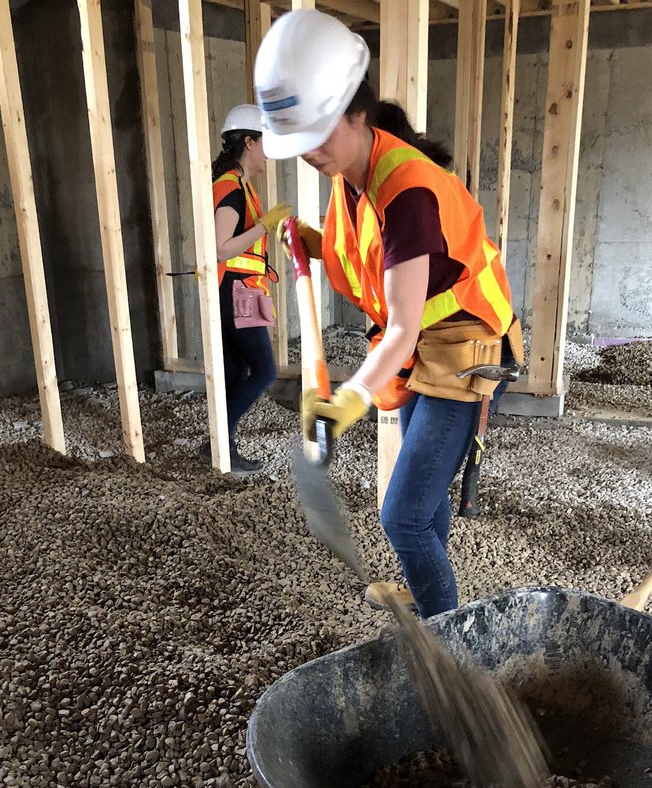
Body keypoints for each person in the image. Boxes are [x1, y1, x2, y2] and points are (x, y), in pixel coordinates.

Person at [254, 10, 523, 618]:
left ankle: (445, 640)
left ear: (358, 112)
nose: (312, 153)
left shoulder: (408, 192)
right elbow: (369, 259)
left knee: (400, 515)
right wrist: (305, 236)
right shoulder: (354, 172)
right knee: (423, 508)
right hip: (425, 346)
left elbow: (401, 327)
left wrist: (347, 400)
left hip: (462, 353)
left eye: (320, 133)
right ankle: (431, 594)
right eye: (300, 141)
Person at [202, 104, 291, 476]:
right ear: (250, 142)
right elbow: (221, 247)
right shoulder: (231, 189)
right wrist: (265, 225)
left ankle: (223, 448)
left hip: (237, 290)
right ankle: (218, 442)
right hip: (235, 292)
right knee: (265, 371)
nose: (269, 149)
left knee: (238, 373)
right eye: (265, 140)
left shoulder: (238, 185)